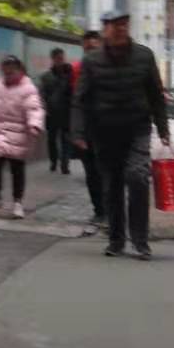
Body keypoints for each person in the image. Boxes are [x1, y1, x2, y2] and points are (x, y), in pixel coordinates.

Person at [72, 10, 170, 260]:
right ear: (105, 30)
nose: (120, 30)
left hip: (137, 128)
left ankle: (140, 241)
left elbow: (156, 95)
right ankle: (116, 240)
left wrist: (163, 129)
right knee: (112, 185)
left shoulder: (144, 56)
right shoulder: (92, 61)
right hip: (104, 132)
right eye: (115, 26)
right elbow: (81, 99)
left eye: (124, 25)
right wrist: (79, 131)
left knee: (138, 177)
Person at [0, 55, 46, 219]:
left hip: (18, 134)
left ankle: (17, 202)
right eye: (5, 72)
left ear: (19, 70)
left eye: (11, 72)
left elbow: (34, 109)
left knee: (17, 169)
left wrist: (34, 124)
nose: (7, 75)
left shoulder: (28, 89)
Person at [71, 30, 107, 230]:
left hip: (109, 128)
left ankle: (111, 211)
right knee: (92, 172)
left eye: (94, 47)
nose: (91, 52)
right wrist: (76, 132)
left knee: (109, 172)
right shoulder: (77, 69)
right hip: (87, 129)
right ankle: (99, 211)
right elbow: (74, 100)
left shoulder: (112, 68)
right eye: (87, 48)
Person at [39, 47, 74, 174]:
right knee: (52, 139)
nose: (61, 61)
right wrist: (44, 107)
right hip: (52, 113)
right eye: (58, 58)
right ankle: (53, 161)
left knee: (66, 139)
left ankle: (65, 164)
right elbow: (42, 93)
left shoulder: (69, 74)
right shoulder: (46, 76)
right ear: (53, 59)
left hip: (66, 112)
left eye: (62, 58)